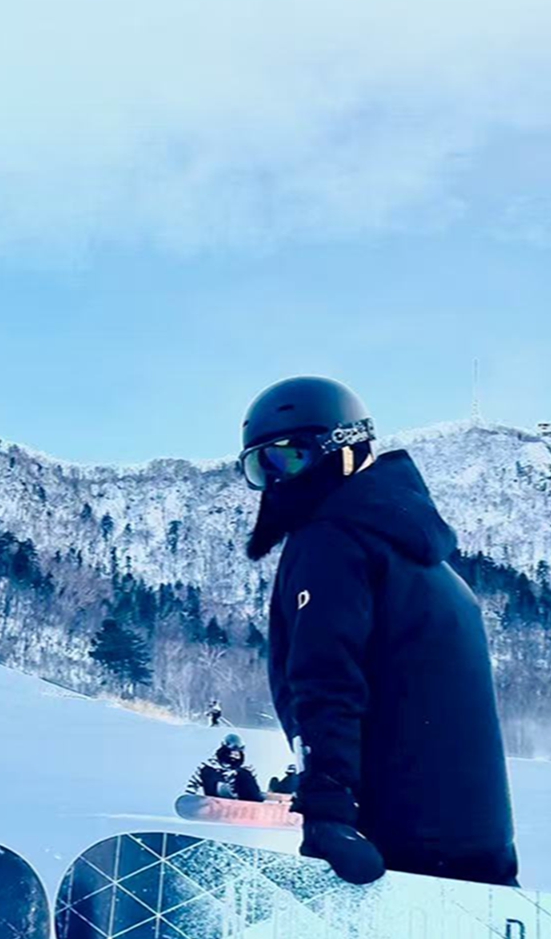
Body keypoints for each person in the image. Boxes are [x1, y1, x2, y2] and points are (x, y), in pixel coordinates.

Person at [238, 376, 517, 887]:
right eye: (260, 467)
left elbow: (325, 682)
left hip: (393, 840)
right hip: (477, 837)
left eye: (290, 457)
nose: (277, 481)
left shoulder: (329, 539)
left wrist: (327, 814)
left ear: (344, 450)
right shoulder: (423, 554)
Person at [187, 733, 265, 802]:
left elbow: (253, 786)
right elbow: (194, 782)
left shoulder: (245, 768)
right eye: (232, 753)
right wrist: (189, 797)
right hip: (216, 800)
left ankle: (252, 804)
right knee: (209, 772)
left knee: (244, 774)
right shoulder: (208, 766)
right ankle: (216, 802)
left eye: (237, 754)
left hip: (240, 799)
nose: (234, 756)